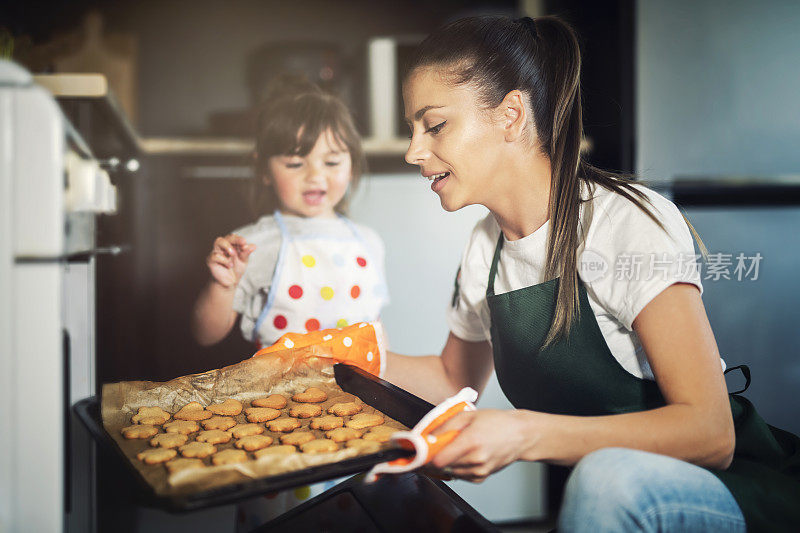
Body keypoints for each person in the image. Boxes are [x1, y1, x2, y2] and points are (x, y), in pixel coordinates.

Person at [384, 15, 800, 532]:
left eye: (435, 125)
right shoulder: (485, 246)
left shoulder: (623, 223)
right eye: (412, 129)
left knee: (605, 479)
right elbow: (452, 379)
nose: (413, 151)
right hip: (619, 504)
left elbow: (711, 433)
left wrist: (520, 434)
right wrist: (351, 351)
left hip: (743, 490)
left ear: (511, 115)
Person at [191, 75, 390, 528]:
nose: (316, 175)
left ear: (352, 166)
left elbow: (376, 333)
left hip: (356, 415)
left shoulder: (370, 243)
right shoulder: (254, 244)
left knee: (354, 513)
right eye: (296, 162)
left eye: (332, 160)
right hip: (278, 415)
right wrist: (222, 285)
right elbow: (205, 334)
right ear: (265, 168)